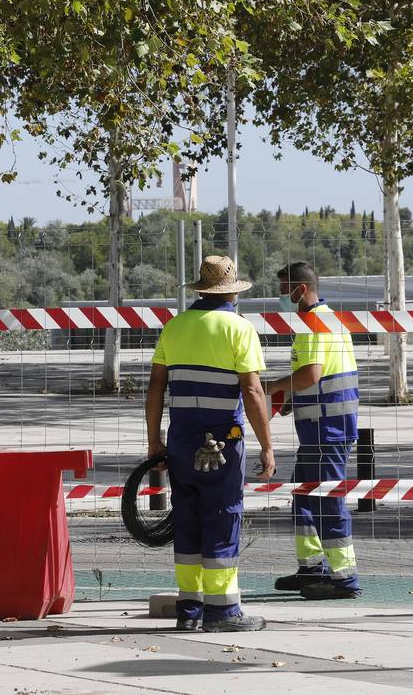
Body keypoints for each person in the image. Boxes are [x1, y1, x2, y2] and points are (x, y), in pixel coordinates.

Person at [146, 255, 275, 633]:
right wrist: (267, 445)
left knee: (187, 520)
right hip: (222, 442)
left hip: (181, 440)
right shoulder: (239, 328)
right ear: (233, 293)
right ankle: (223, 611)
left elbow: (156, 388)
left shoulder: (175, 326)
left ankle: (190, 608)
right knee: (222, 517)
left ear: (200, 289)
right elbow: (252, 391)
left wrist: (155, 441)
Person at [264, 261, 362, 600]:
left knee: (328, 500)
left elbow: (311, 374)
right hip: (319, 426)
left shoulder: (313, 323)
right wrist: (290, 398)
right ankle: (311, 567)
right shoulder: (327, 319)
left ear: (300, 290)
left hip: (327, 429)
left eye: (282, 291)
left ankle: (344, 578)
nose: (280, 299)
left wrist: (272, 387)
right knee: (304, 495)